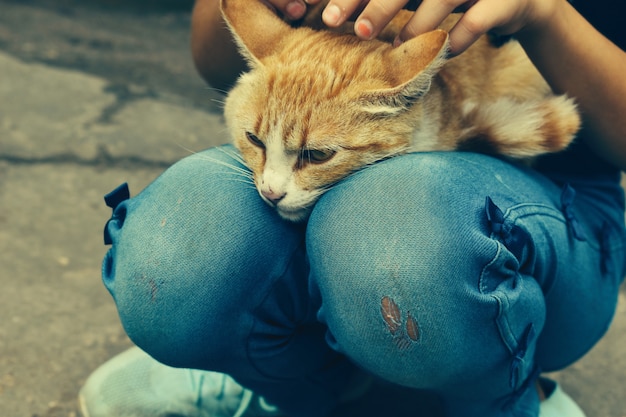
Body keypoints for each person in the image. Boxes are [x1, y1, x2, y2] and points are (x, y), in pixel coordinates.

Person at [79, 0, 626, 416]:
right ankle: (297, 383)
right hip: (319, 103)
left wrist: (544, 13)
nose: (269, 186)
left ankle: (504, 394)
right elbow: (221, 57)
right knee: (171, 260)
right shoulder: (289, 158)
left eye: (315, 156)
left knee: (393, 228)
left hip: (557, 212)